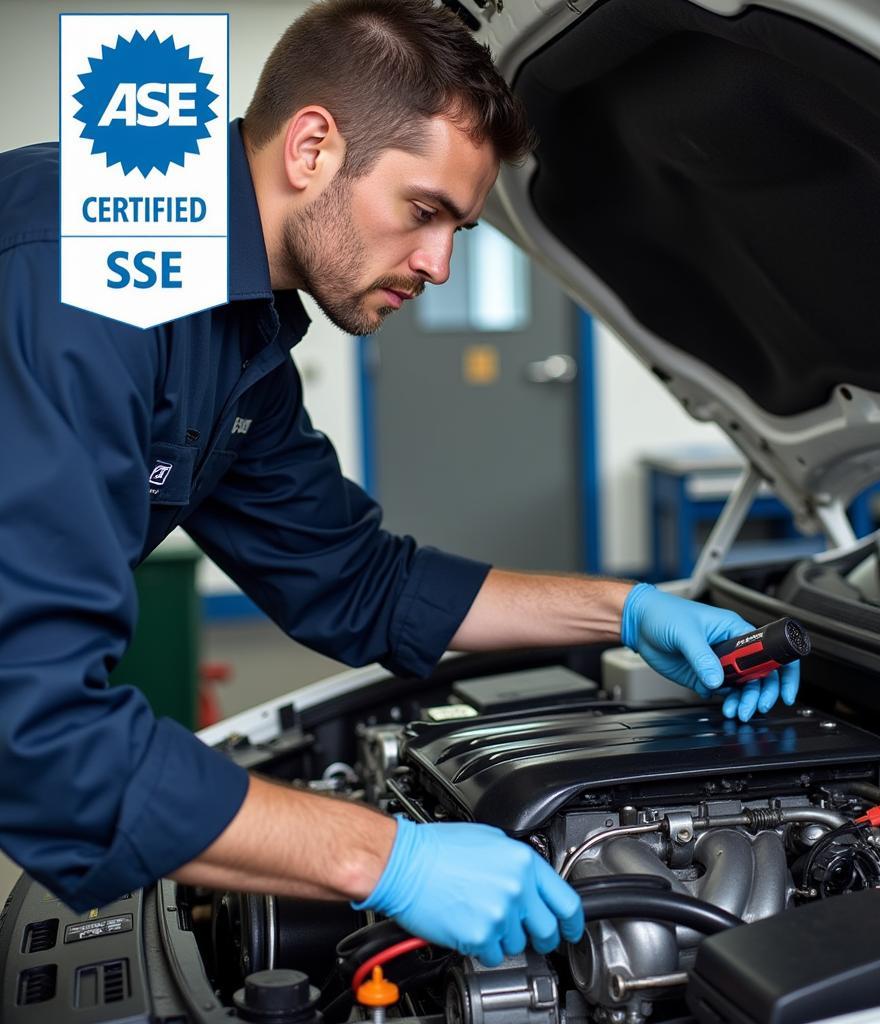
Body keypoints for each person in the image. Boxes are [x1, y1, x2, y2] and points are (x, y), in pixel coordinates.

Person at [0, 0, 799, 966]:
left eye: (459, 228)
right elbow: (36, 736)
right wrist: (388, 859)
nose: (438, 265)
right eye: (423, 212)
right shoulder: (85, 277)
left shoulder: (235, 332)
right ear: (311, 148)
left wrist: (627, 610)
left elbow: (357, 580)